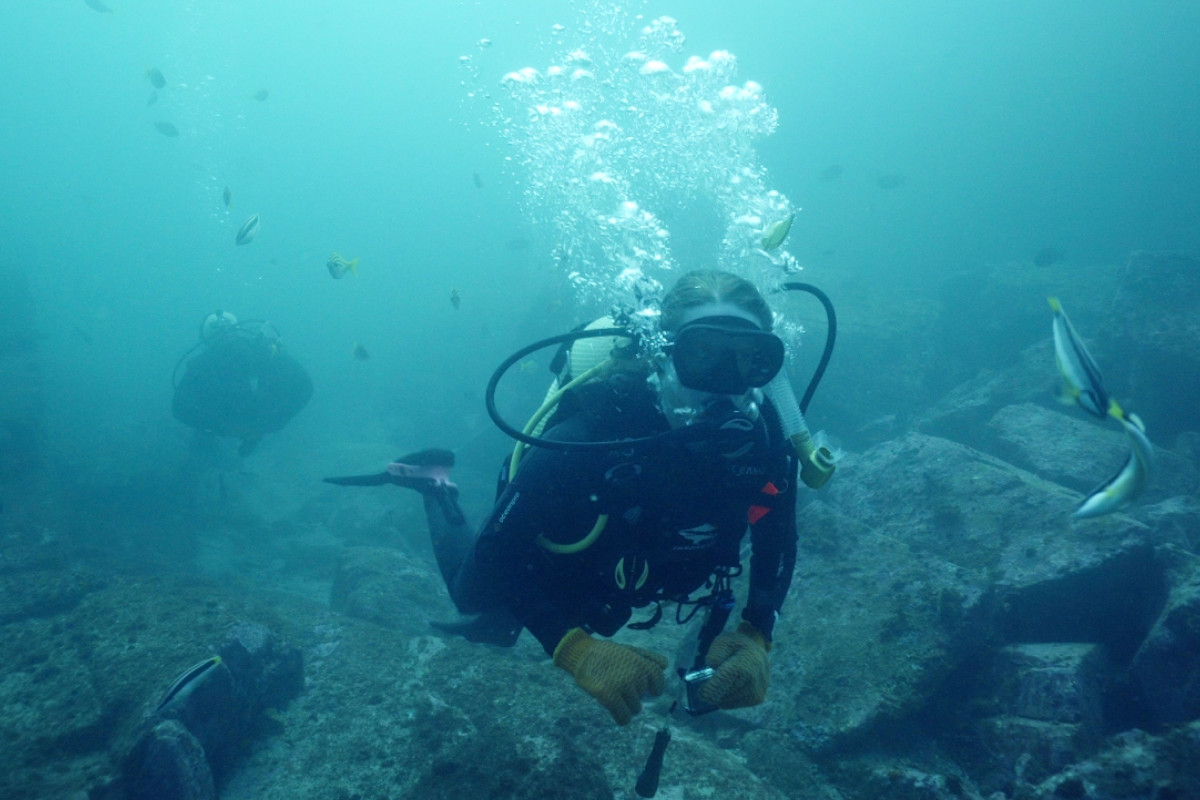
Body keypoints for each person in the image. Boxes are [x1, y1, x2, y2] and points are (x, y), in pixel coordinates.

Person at [327, 271, 811, 726]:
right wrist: (572, 647)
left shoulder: (766, 437)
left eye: (750, 358)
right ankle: (435, 485)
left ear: (769, 367)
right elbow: (500, 552)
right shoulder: (594, 431)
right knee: (475, 600)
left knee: (542, 614)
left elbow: (777, 535)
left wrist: (757, 633)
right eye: (702, 353)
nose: (725, 381)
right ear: (662, 354)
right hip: (560, 555)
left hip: (639, 569)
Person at [172, 311, 313, 457]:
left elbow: (179, 408)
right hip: (260, 418)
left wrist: (226, 428)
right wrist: (271, 423)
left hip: (235, 421)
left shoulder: (201, 364)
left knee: (203, 446)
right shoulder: (263, 352)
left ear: (206, 339)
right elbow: (305, 386)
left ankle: (214, 456)